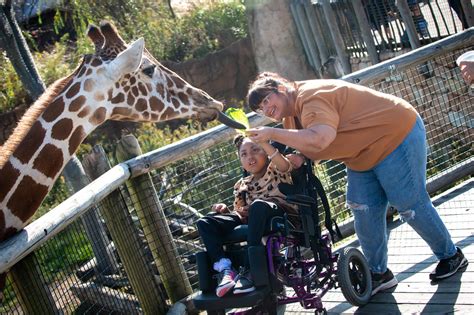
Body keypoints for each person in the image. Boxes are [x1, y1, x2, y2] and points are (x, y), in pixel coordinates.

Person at [245, 72, 468, 296]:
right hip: (361, 155)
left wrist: (273, 133)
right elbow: (312, 142)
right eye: (259, 108)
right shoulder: (290, 116)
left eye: (266, 100)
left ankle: (450, 256)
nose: (265, 109)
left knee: (408, 202)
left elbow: (321, 137)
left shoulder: (310, 97)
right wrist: (302, 157)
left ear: (281, 89)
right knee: (362, 207)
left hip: (395, 135)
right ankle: (378, 273)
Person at [196, 134, 303, 297]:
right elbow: (239, 213)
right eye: (244, 154)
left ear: (266, 151)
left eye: (255, 150)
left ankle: (249, 271)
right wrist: (225, 212)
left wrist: (264, 142)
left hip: (279, 214)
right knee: (205, 222)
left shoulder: (276, 167)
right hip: (251, 217)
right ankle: (225, 269)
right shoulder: (242, 185)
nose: (250, 157)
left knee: (258, 206)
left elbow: (284, 165)